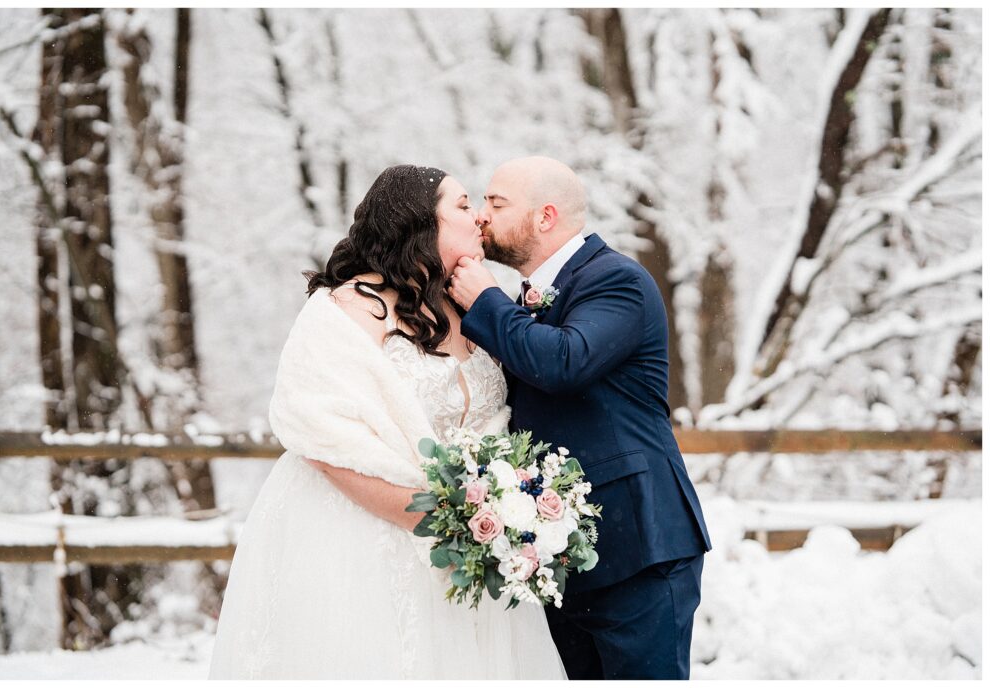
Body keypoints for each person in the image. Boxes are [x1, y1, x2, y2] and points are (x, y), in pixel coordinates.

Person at [208, 165, 566, 679]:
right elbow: (317, 431)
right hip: (358, 537)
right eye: (464, 206)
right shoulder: (347, 308)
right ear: (421, 223)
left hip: (470, 548)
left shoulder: (473, 307)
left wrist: (500, 509)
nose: (480, 218)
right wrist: (435, 516)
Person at [448, 156, 712, 680]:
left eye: (496, 204)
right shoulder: (529, 296)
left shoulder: (617, 280)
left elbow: (562, 361)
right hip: (565, 556)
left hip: (639, 548)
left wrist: (485, 300)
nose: (481, 216)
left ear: (545, 217)